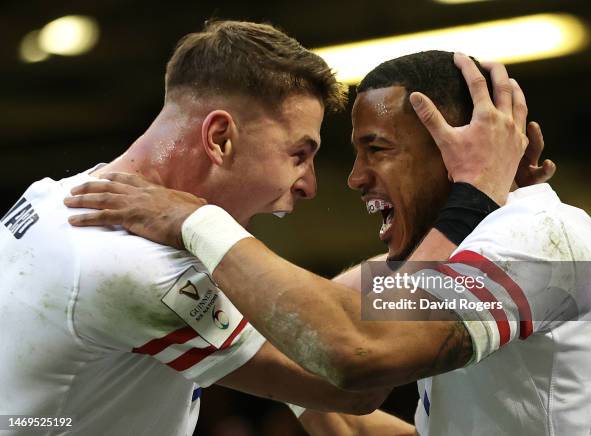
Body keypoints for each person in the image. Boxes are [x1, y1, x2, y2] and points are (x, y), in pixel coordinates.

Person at [67, 50, 591, 436]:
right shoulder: (477, 254)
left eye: (376, 148)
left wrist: (197, 222)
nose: (353, 178)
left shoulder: (544, 239)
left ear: (457, 151)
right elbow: (312, 331)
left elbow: (360, 350)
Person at [0, 20, 403, 435]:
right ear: (220, 137)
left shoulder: (52, 196)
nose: (309, 185)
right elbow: (350, 379)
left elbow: (299, 325)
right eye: (299, 153)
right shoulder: (135, 265)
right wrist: (452, 264)